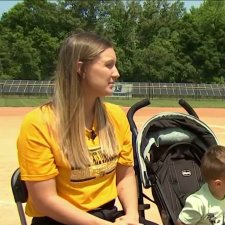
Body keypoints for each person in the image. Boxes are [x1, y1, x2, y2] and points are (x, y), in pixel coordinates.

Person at [17, 31, 141, 225]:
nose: (116, 73)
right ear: (80, 69)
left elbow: (125, 175)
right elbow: (44, 201)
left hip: (108, 215)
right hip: (58, 220)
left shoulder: (116, 116)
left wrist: (132, 215)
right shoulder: (38, 124)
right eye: (108, 65)